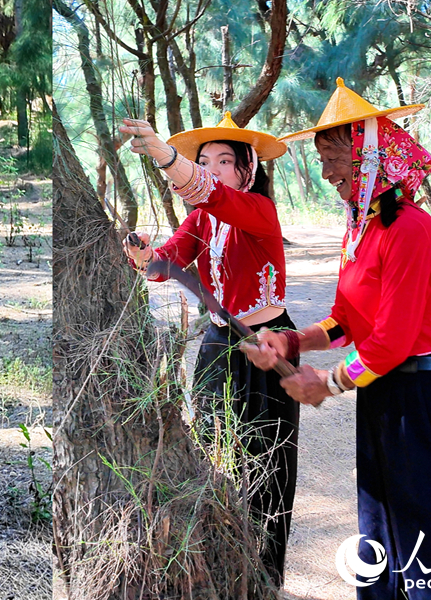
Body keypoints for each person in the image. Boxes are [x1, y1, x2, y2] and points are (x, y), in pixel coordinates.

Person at [243, 78, 431, 599]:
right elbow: (346, 319)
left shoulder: (409, 230)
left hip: (428, 399)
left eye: (334, 157)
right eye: (323, 160)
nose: (326, 173)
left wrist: (326, 383)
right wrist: (293, 343)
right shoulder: (362, 230)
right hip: (386, 393)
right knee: (380, 530)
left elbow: (393, 340)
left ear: (373, 153)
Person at [119, 113, 297, 587]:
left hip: (267, 345)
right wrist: (143, 256)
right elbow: (167, 263)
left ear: (247, 170)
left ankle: (263, 579)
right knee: (215, 450)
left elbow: (212, 195)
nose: (214, 170)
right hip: (218, 344)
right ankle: (222, 569)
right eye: (205, 161)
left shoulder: (258, 211)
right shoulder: (202, 218)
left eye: (224, 161)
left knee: (266, 462)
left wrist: (166, 155)